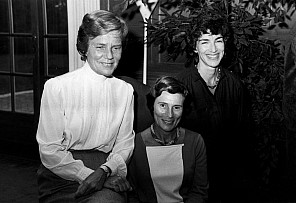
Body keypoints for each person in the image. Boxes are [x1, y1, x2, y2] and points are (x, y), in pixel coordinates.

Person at [36, 10, 134, 202]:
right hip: (61, 171)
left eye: (116, 47)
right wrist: (90, 175)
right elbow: (49, 150)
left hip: (105, 166)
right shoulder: (57, 87)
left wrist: (106, 171)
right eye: (100, 47)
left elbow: (125, 145)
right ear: (84, 48)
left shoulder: (125, 91)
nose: (109, 56)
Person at [176, 12, 250, 202]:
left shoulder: (236, 86)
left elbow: (242, 143)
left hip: (227, 181)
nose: (213, 49)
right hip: (189, 182)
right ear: (195, 47)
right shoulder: (180, 86)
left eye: (218, 40)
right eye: (205, 42)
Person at [127, 76, 208, 203]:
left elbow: (199, 192)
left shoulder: (195, 141)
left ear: (183, 110)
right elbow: (132, 195)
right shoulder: (134, 143)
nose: (169, 115)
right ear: (152, 106)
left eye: (176, 107)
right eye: (163, 105)